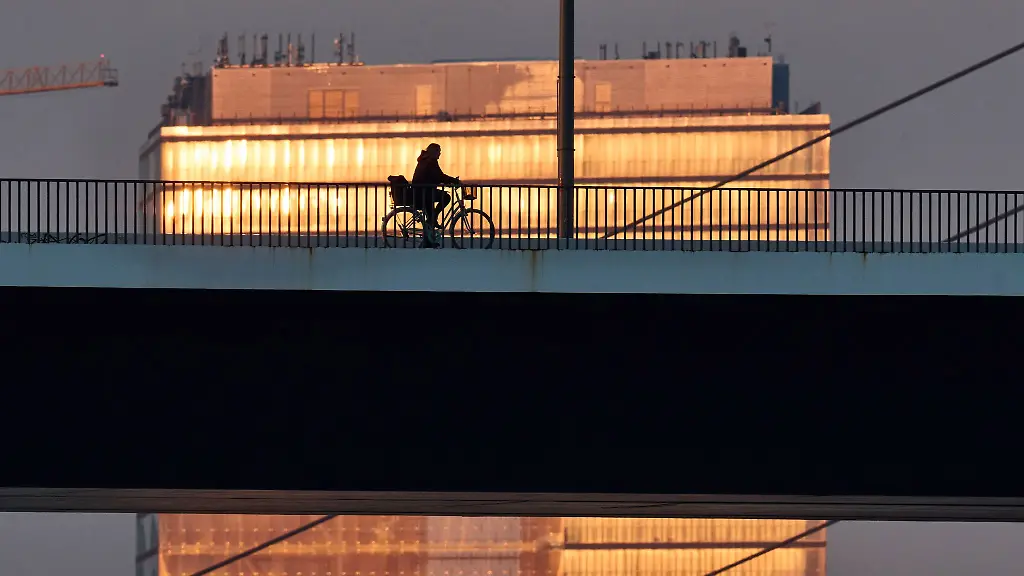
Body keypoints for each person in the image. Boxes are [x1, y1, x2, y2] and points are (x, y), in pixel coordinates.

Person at [411, 143, 459, 232]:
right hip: (424, 192)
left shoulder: (425, 159)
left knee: (431, 215)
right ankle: (433, 218)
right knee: (446, 197)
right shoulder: (430, 161)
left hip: (422, 191)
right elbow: (439, 176)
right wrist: (454, 181)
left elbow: (436, 176)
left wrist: (447, 181)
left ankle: (431, 226)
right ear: (434, 152)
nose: (440, 153)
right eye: (438, 151)